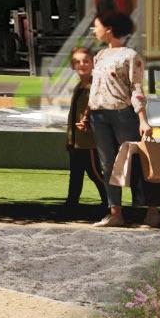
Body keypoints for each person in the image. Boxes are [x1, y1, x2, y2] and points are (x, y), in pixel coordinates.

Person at [84, 11, 160, 229]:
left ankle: (152, 210)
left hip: (123, 114)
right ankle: (115, 212)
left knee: (136, 161)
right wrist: (87, 113)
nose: (94, 30)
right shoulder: (99, 56)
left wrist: (143, 119)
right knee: (107, 163)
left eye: (97, 26)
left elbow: (136, 88)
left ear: (109, 29)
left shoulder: (130, 56)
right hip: (99, 115)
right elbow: (97, 88)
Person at [62, 46, 106, 213]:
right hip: (77, 140)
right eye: (77, 62)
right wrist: (70, 139)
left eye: (86, 61)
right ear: (73, 65)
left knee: (95, 173)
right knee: (76, 174)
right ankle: (71, 204)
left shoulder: (95, 85)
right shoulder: (79, 86)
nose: (82, 64)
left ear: (93, 63)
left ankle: (111, 202)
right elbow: (73, 114)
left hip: (89, 141)